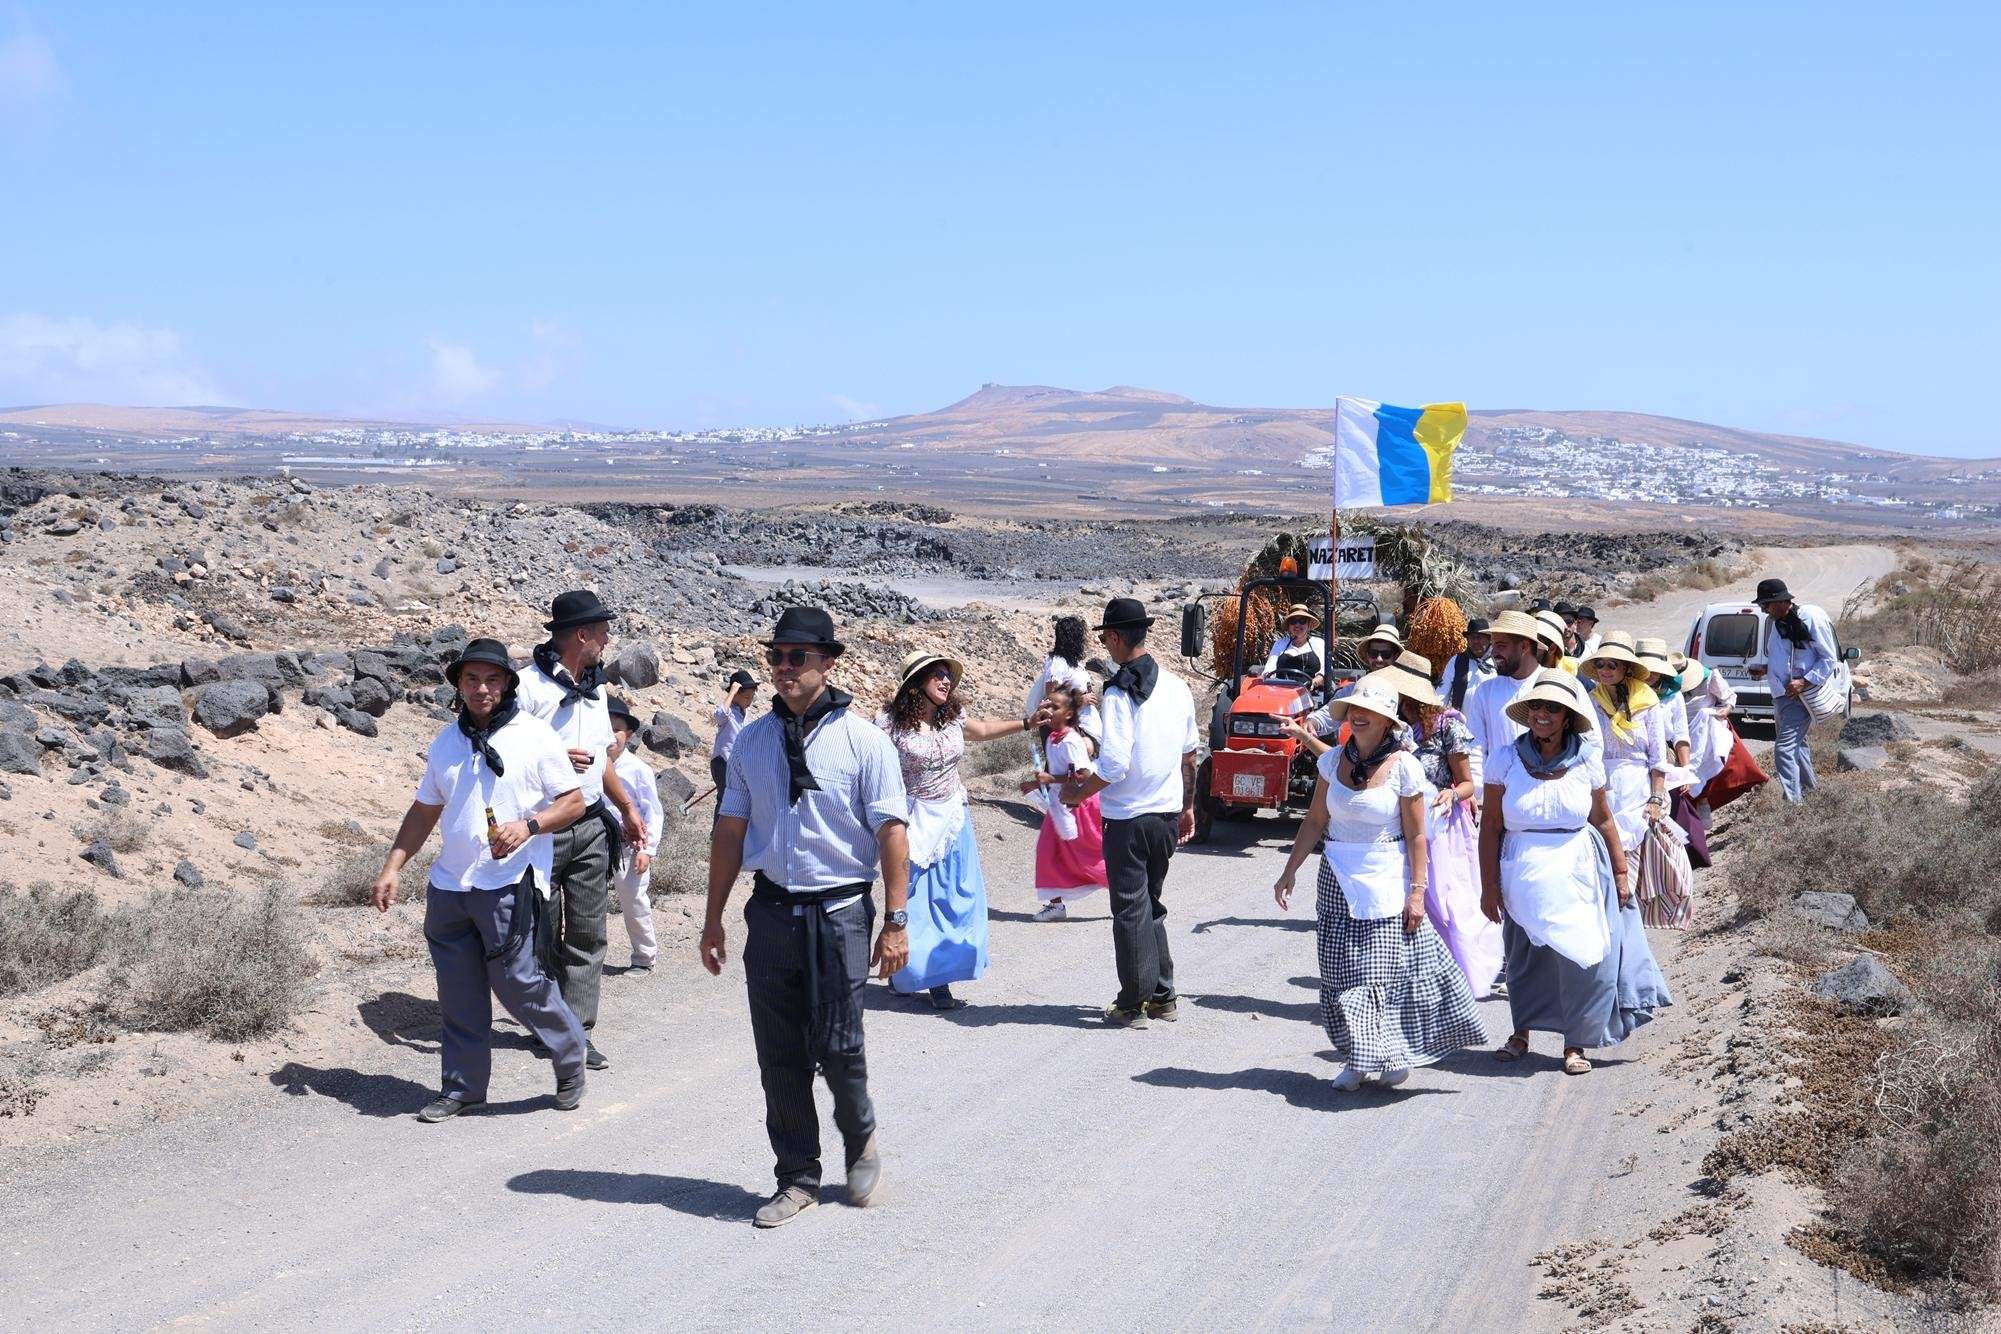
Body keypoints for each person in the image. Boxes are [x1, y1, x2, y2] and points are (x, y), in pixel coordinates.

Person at [700, 606, 910, 1229]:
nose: (784, 669)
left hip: (842, 910)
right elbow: (730, 830)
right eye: (777, 658)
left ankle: (861, 1140)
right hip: (771, 912)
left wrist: (895, 921)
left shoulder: (864, 741)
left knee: (839, 1044)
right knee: (780, 1051)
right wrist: (713, 917)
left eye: (799, 658)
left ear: (828, 664)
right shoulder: (751, 741)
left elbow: (892, 833)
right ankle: (796, 1176)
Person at [368, 638, 590, 1123]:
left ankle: (571, 1058)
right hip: (451, 887)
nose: (482, 688)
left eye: (492, 679)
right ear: (458, 685)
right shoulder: (447, 741)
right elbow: (426, 809)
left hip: (508, 882)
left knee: (519, 983)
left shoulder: (534, 736)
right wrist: (393, 866)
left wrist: (527, 826)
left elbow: (573, 802)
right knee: (458, 992)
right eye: (471, 679)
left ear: (507, 684)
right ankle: (464, 1089)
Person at [1272, 677, 1487, 1089]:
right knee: (1337, 975)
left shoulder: (1405, 767)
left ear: (1388, 722)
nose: (1358, 715)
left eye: (1368, 711)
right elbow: (1315, 820)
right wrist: (1289, 871)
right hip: (1336, 875)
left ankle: (1370, 1058)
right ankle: (1360, 1054)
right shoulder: (1331, 761)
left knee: (1371, 978)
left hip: (1386, 880)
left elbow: (1417, 835)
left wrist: (1418, 892)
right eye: (1354, 709)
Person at [1478, 671, 1672, 1075]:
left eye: (1552, 708)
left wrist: (1621, 872)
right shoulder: (1505, 759)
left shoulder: (1586, 759)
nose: (1542, 714)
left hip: (1578, 867)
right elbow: (1492, 825)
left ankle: (1575, 1042)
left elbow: (1602, 820)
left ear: (1567, 716)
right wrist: (1489, 886)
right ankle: (1521, 1034)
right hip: (1521, 869)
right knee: (1525, 957)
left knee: (1582, 958)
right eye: (1536, 707)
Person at [515, 590, 647, 1072]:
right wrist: (547, 759)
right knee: (543, 933)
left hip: (591, 825)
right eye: (603, 631)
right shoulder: (526, 688)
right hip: (544, 828)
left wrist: (628, 807)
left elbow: (601, 760)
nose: (608, 639)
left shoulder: (597, 693)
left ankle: (578, 1031)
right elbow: (502, 754)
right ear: (582, 635)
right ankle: (550, 1022)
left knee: (589, 933)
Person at [1061, 597, 1200, 1028]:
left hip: (1128, 819)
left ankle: (1132, 1002)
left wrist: (1079, 793)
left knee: (1128, 910)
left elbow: (1116, 763)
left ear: (1117, 638)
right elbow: (1190, 756)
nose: (1106, 644)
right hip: (1165, 816)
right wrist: (1189, 807)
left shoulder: (1121, 691)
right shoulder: (1177, 687)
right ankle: (1163, 995)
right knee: (1150, 904)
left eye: (1105, 637)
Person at [877, 651, 1030, 1009]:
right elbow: (864, 758)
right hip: (911, 820)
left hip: (952, 817)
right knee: (913, 900)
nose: (946, 681)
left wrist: (1027, 723)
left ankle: (940, 978)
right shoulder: (889, 725)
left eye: (948, 676)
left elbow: (982, 730)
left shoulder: (953, 718)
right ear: (916, 684)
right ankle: (907, 972)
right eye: (937, 676)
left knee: (953, 898)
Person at [1383, 652, 1503, 1000]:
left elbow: (1466, 782)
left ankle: (1457, 976)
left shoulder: (1448, 726)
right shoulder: (1398, 728)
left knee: (1448, 904)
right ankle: (1417, 980)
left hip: (1443, 828)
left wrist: (1452, 795)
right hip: (1406, 824)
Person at [1581, 632, 1672, 856]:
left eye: (1612, 665)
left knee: (1640, 853)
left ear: (1626, 668)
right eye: (1600, 664)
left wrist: (1656, 798)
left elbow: (1658, 755)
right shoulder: (1591, 701)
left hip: (1639, 788)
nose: (1605, 670)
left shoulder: (1648, 701)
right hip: (1603, 787)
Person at [1021, 685, 1107, 922]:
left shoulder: (1070, 741)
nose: (1047, 709)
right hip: (1061, 805)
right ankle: (1056, 905)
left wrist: (1051, 779)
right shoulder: (1053, 740)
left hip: (1078, 806)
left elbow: (1084, 775)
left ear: (1068, 714)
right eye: (1046, 704)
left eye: (1054, 706)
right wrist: (1036, 784)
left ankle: (1130, 888)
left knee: (1087, 857)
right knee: (1048, 851)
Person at [1756, 577, 1841, 803]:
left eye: (1766, 605)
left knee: (1784, 749)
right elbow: (1784, 659)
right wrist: (1766, 669)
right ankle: (1811, 793)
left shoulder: (1810, 618)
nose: (1764, 610)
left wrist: (1804, 681)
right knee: (1798, 746)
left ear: (1782, 601)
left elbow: (1829, 659)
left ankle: (1794, 806)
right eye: (1762, 605)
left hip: (1800, 697)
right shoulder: (1777, 623)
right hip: (1781, 696)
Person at [607, 697, 664, 975]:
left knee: (633, 898)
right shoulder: (590, 763)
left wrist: (647, 849)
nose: (610, 736)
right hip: (595, 843)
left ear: (628, 735)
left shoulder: (638, 769)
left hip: (629, 845)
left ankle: (644, 956)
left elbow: (653, 812)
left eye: (616, 729)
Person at [1464, 609, 1549, 780]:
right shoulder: (1486, 691)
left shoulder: (1555, 685)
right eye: (1493, 645)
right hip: (1498, 794)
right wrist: (1481, 792)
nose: (1494, 652)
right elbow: (1475, 748)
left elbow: (1589, 743)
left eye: (1501, 646)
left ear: (1524, 647)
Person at [1024, 614, 1100, 738]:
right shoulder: (1057, 663)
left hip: (1084, 723)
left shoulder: (1072, 662)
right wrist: (1081, 700)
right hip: (1071, 730)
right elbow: (1052, 700)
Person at [1636, 638, 1692, 770]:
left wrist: (1686, 769)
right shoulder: (1625, 692)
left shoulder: (1673, 695)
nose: (1649, 673)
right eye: (1645, 668)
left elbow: (1681, 733)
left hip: (1666, 759)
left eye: (1654, 669)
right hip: (1635, 760)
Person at [711, 668, 758, 807]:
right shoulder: (728, 713)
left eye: (751, 697)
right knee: (724, 799)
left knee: (732, 800)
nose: (749, 701)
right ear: (736, 695)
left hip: (736, 764)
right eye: (746, 697)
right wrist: (731, 691)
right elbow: (719, 715)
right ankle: (717, 829)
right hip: (722, 761)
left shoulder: (745, 713)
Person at [1259, 604, 1328, 689]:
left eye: (1302, 621)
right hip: (1281, 689)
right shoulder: (1280, 644)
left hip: (1311, 693)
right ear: (1289, 625)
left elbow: (1325, 669)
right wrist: (1269, 677)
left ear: (1308, 624)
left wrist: (1314, 682)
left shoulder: (1318, 643)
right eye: (1293, 621)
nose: (1297, 625)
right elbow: (1270, 667)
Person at [1440, 616, 1494, 713]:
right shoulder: (1457, 661)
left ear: (1489, 639)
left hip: (1491, 726)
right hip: (1460, 726)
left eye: (1480, 637)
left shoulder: (1498, 663)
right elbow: (1441, 695)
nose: (1476, 641)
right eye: (1472, 637)